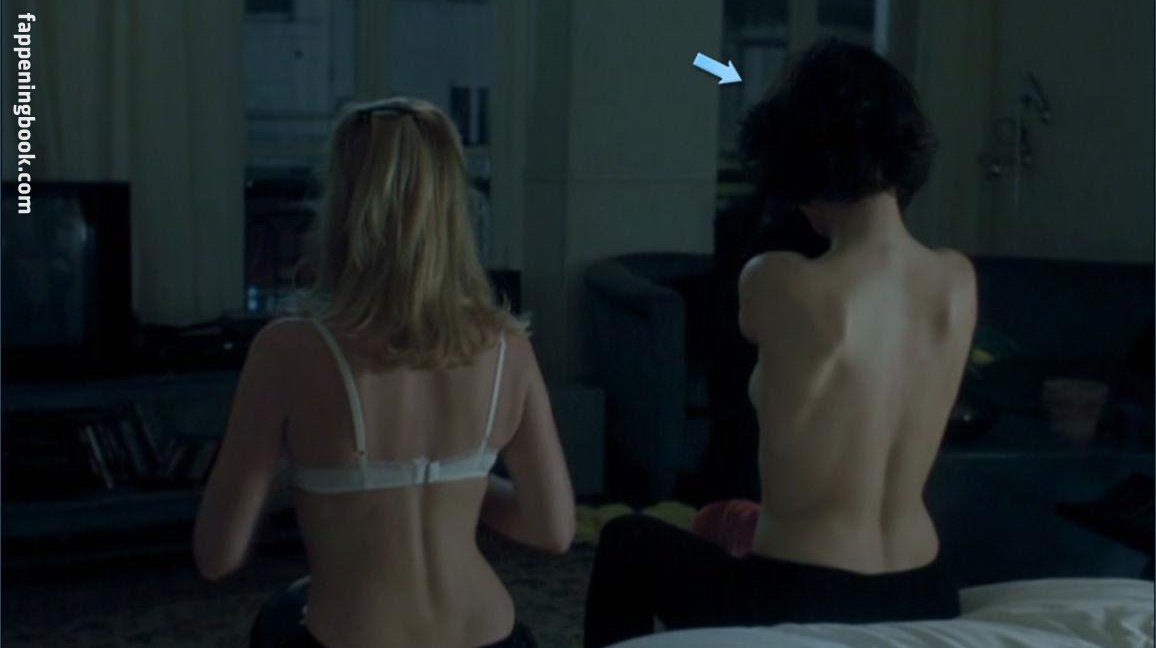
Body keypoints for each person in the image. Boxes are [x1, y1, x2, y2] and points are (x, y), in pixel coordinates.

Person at [584, 39, 975, 647]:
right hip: (925, 585)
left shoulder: (777, 280)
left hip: (806, 590)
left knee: (626, 540)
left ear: (798, 162)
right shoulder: (957, 279)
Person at [193, 97, 575, 648]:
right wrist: (456, 483)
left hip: (354, 633)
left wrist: (302, 476)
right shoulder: (507, 348)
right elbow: (553, 529)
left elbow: (217, 555)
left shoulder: (288, 349)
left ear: (343, 205)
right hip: (492, 635)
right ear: (453, 206)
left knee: (277, 620)